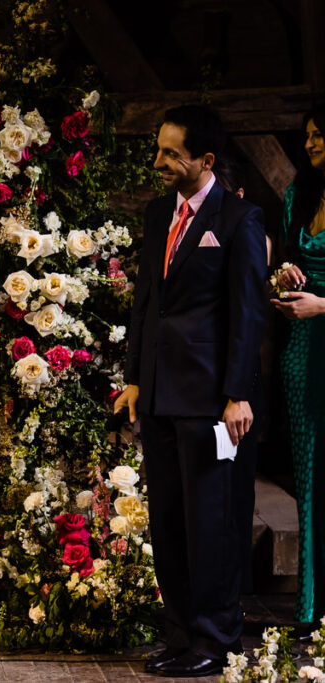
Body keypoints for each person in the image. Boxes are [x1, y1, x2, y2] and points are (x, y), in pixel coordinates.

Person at [114, 105, 267, 678]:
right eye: (159, 150)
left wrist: (238, 394)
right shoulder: (159, 215)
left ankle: (214, 638)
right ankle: (180, 633)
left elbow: (247, 314)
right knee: (169, 522)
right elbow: (146, 303)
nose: (159, 162)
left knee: (212, 524)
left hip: (211, 400)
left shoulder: (239, 220)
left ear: (205, 160)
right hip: (157, 394)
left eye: (171, 153)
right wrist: (134, 379)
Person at [271, 105, 325, 625]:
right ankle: (309, 607)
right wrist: (284, 274)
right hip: (303, 349)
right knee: (308, 477)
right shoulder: (297, 195)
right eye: (306, 135)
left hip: (323, 323)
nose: (309, 143)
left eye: (318, 134)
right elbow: (281, 267)